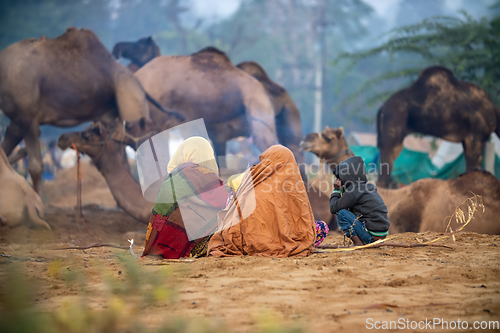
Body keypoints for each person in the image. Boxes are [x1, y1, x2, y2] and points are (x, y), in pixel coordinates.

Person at [208, 145, 317, 257]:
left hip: (253, 244)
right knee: (320, 227)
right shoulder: (296, 190)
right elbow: (304, 223)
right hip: (282, 241)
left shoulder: (252, 184)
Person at [142, 137, 231, 259]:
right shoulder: (201, 174)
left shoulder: (173, 177)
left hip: (156, 246)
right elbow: (226, 200)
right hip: (184, 250)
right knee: (229, 214)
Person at [329, 156, 390, 246]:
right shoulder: (367, 187)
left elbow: (333, 208)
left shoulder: (354, 191)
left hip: (372, 237)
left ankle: (358, 243)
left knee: (341, 213)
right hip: (381, 236)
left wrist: (336, 190)